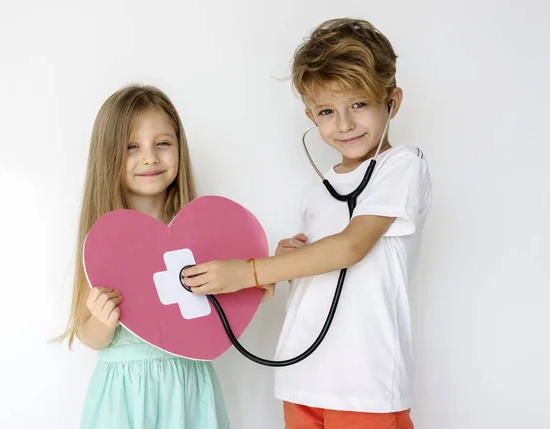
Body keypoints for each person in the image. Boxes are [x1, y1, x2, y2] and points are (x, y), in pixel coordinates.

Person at [182, 18, 432, 429]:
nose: (345, 124)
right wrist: (288, 264)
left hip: (364, 383)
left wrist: (250, 271)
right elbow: (324, 271)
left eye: (360, 104)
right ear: (310, 115)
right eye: (327, 111)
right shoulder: (320, 190)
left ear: (393, 101)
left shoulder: (402, 166)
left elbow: (351, 247)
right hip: (302, 379)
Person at [56, 84, 240, 429]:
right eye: (132, 147)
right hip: (125, 395)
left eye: (163, 144)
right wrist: (102, 319)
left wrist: (257, 279)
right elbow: (91, 337)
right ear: (109, 155)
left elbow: (225, 312)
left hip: (189, 386)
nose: (150, 157)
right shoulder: (103, 242)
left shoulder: (203, 234)